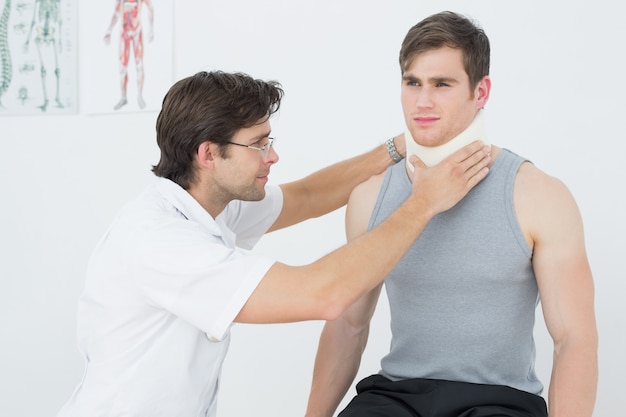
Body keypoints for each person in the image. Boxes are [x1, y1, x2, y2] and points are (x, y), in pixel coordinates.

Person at [56, 70, 491, 417]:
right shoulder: (161, 243)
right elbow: (322, 295)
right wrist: (424, 202)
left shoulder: (212, 203)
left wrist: (403, 145)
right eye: (259, 144)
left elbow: (308, 196)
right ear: (208, 155)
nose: (273, 155)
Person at [305, 11, 598, 417]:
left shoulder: (538, 195)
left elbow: (574, 339)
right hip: (396, 397)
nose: (423, 101)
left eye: (442, 84)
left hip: (499, 400)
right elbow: (349, 325)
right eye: (413, 83)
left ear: (481, 92)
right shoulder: (370, 197)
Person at [104, 0, 154, 110]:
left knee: (139, 64)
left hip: (136, 32)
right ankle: (123, 97)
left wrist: (151, 28)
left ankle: (140, 95)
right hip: (124, 32)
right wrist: (109, 30)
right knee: (122, 67)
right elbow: (116, 12)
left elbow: (150, 7)